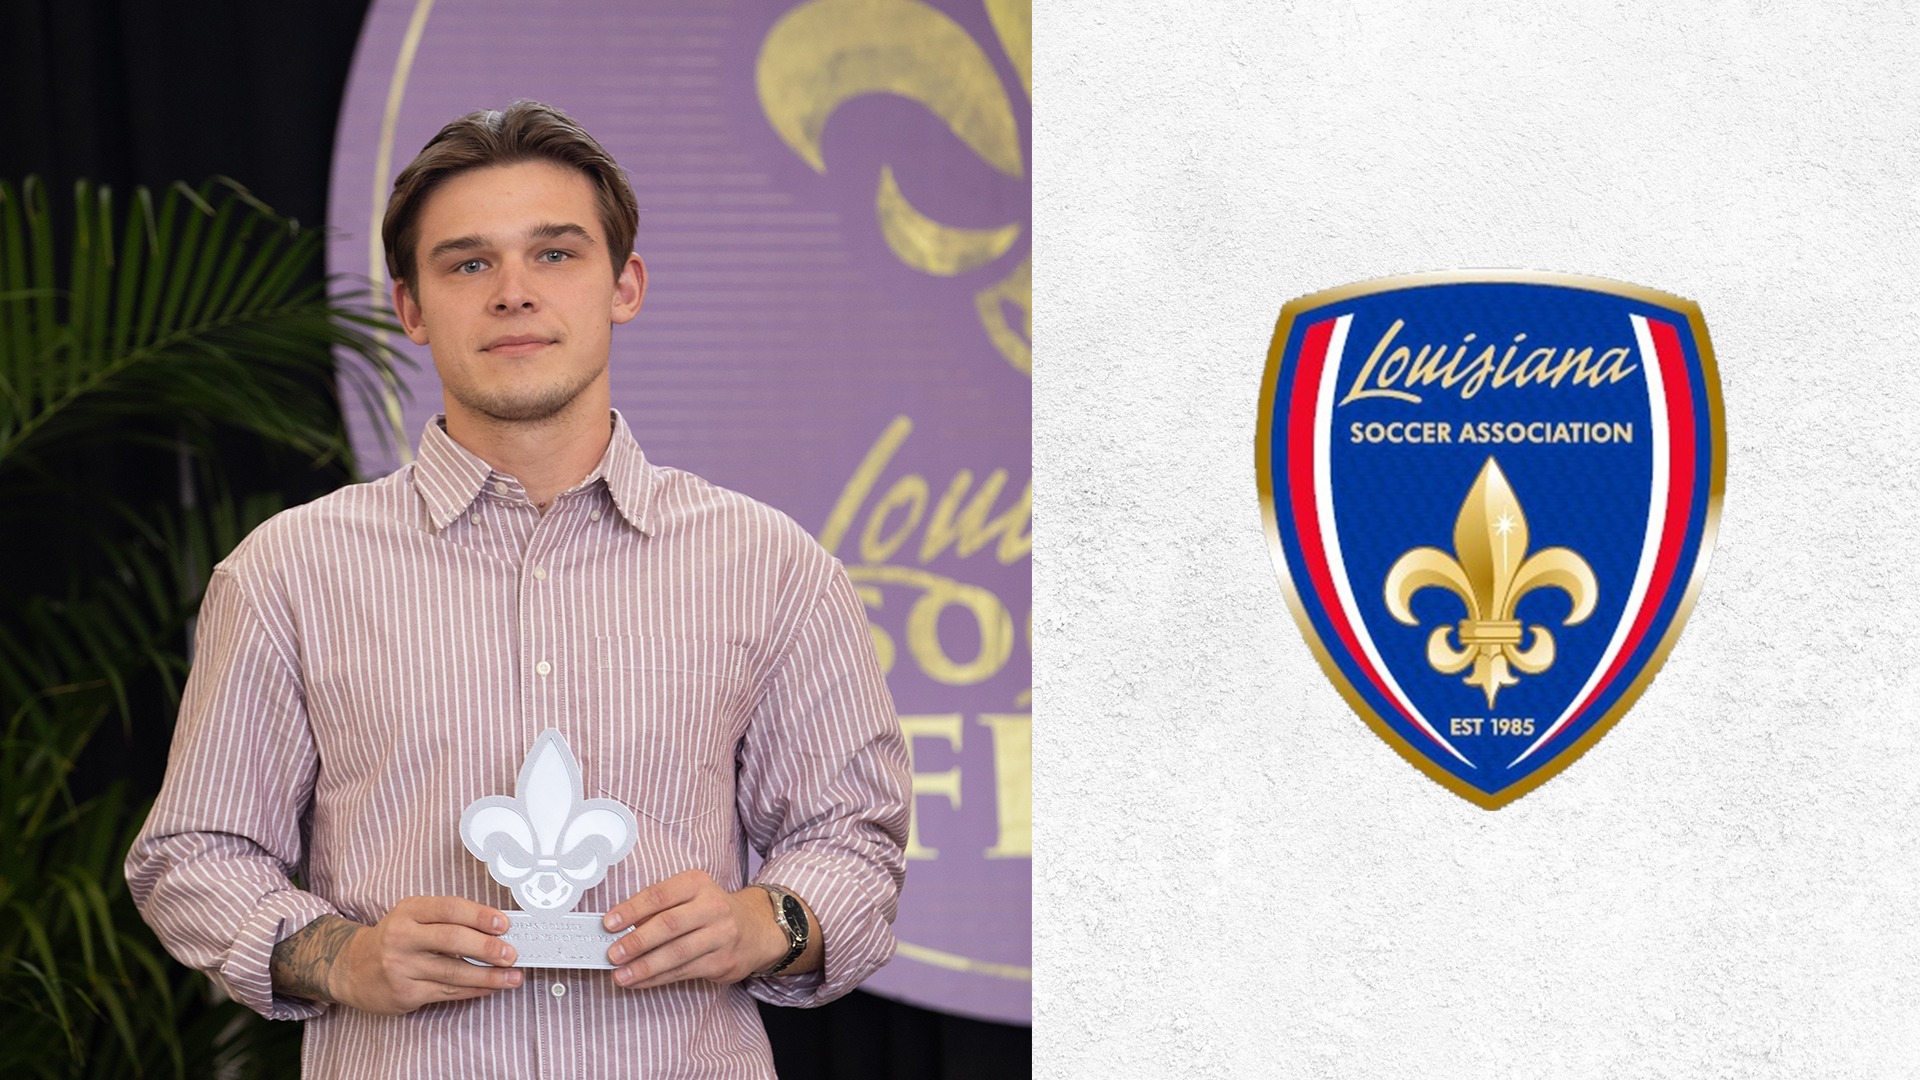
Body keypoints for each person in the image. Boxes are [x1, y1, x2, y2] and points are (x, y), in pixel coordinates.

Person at [126, 101, 911, 1078]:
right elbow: (194, 855)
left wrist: (770, 922)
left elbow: (852, 839)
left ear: (624, 285)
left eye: (555, 254)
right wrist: (345, 958)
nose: (513, 293)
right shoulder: (288, 572)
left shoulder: (770, 566)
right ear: (411, 307)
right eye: (467, 264)